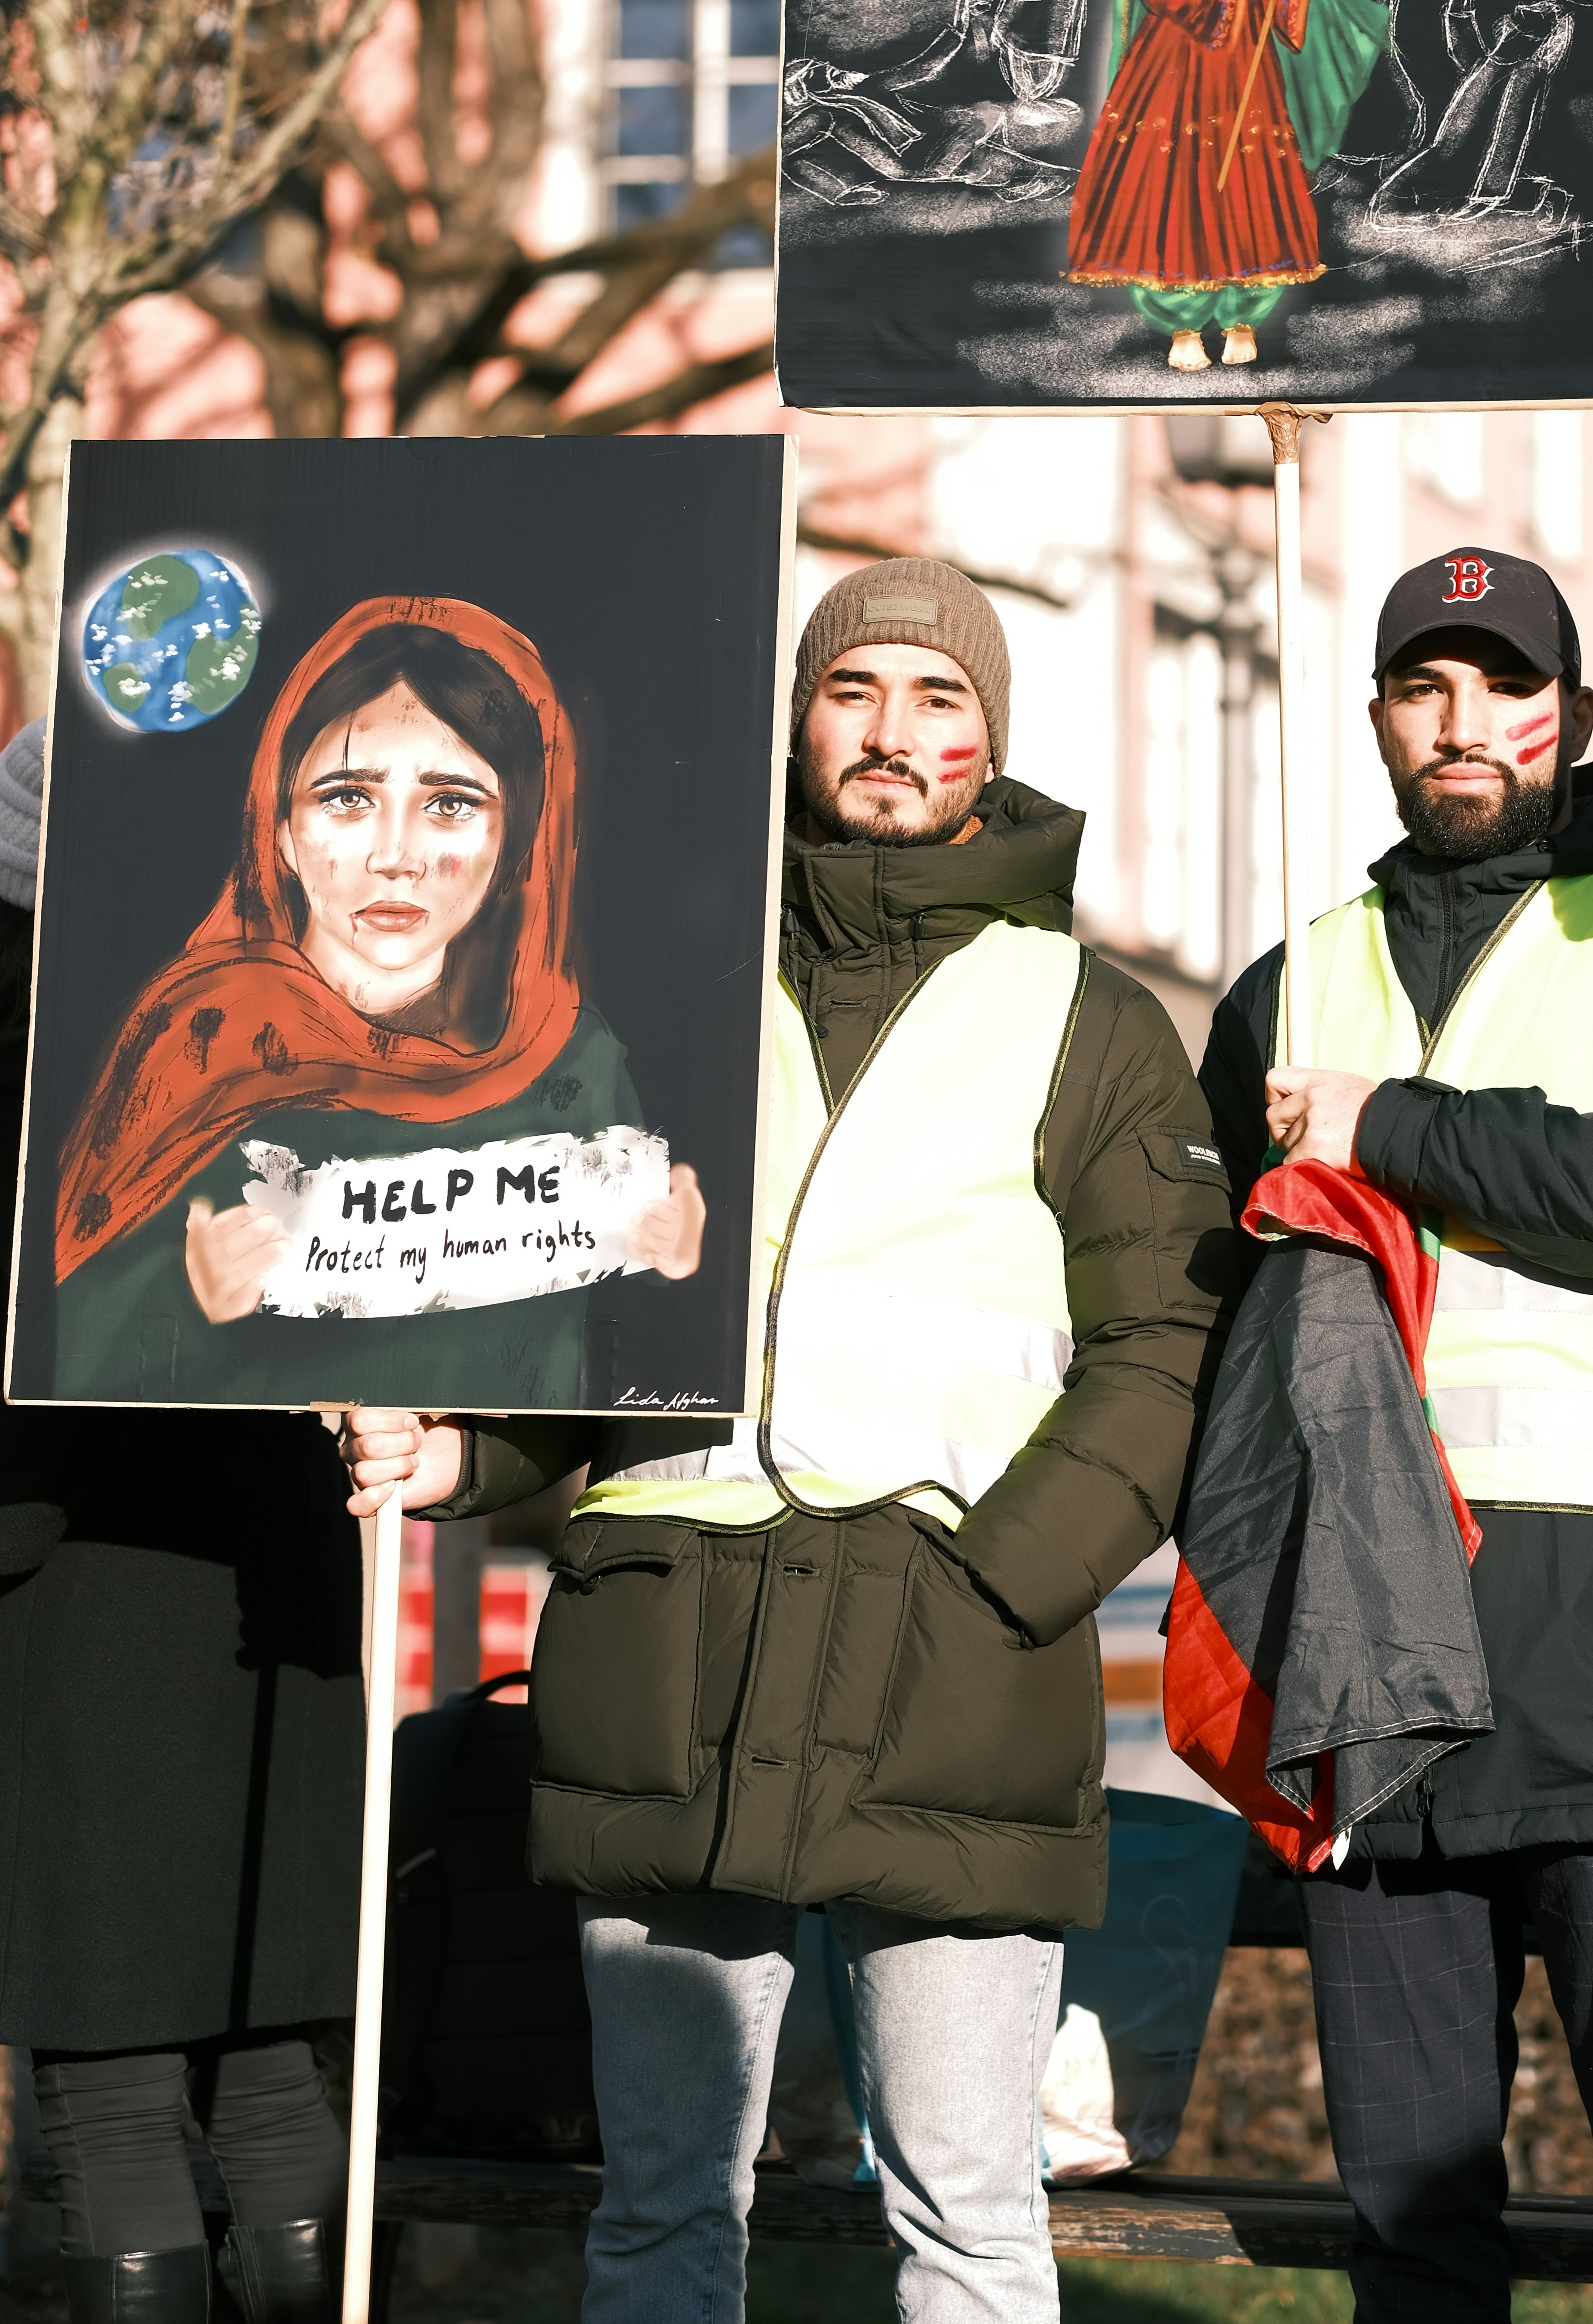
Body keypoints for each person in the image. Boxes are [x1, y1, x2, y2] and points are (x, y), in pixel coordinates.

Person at [341, 557, 1236, 2322]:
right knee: (662, 2212)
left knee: (968, 2216)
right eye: (853, 691)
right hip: (668, 1647)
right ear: (801, 719)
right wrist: (468, 1458)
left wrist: (1007, 1589)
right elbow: (571, 1290)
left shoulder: (1096, 1023)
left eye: (936, 701)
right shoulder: (644, 985)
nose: (890, 735)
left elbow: (1165, 1349)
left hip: (952, 1669)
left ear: (987, 745)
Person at [1199, 549, 1593, 2320]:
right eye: (1421, 688)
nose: (1461, 725)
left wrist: (1392, 1126)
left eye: (1501, 686)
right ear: (1378, 717)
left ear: (1572, 716)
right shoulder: (1280, 993)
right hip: (1367, 1663)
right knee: (1410, 2230)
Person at [0, 718, 361, 2324]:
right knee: (276, 2074)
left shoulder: (35, 1007)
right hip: (280, 1578)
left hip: (75, 1597)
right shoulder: (305, 1001)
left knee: (111, 2101)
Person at [52, 596, 703, 1408]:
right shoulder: (201, 1040)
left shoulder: (572, 1064)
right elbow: (60, 1352)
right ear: (281, 829)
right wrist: (186, 1299)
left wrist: (673, 1267)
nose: (397, 857)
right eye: (348, 798)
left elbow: (587, 1373)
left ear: (517, 844)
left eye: (452, 804)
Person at [1065, 0, 1384, 374]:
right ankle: (1183, 324)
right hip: (1170, 71)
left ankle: (1243, 316)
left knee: (1248, 182)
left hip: (1241, 70)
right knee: (1174, 185)